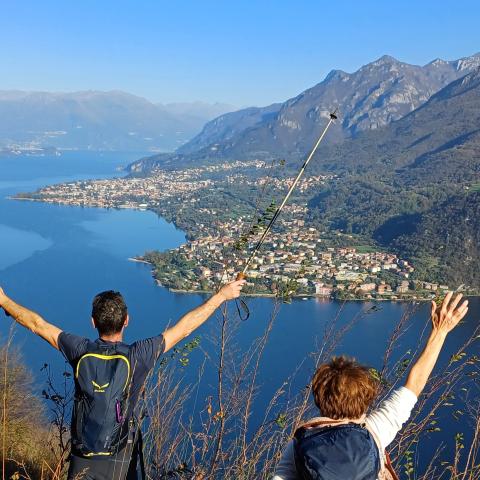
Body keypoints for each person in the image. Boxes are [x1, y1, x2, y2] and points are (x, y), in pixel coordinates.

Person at [0, 278, 245, 480]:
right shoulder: (139, 355)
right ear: (126, 321)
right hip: (118, 457)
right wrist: (221, 296)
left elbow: (36, 324)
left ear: (93, 322)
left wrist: (3, 300)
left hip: (82, 455)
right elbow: (185, 328)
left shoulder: (79, 350)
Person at [274, 292, 469, 480]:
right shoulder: (375, 431)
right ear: (367, 398)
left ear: (318, 397)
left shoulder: (300, 445)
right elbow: (414, 385)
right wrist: (440, 331)